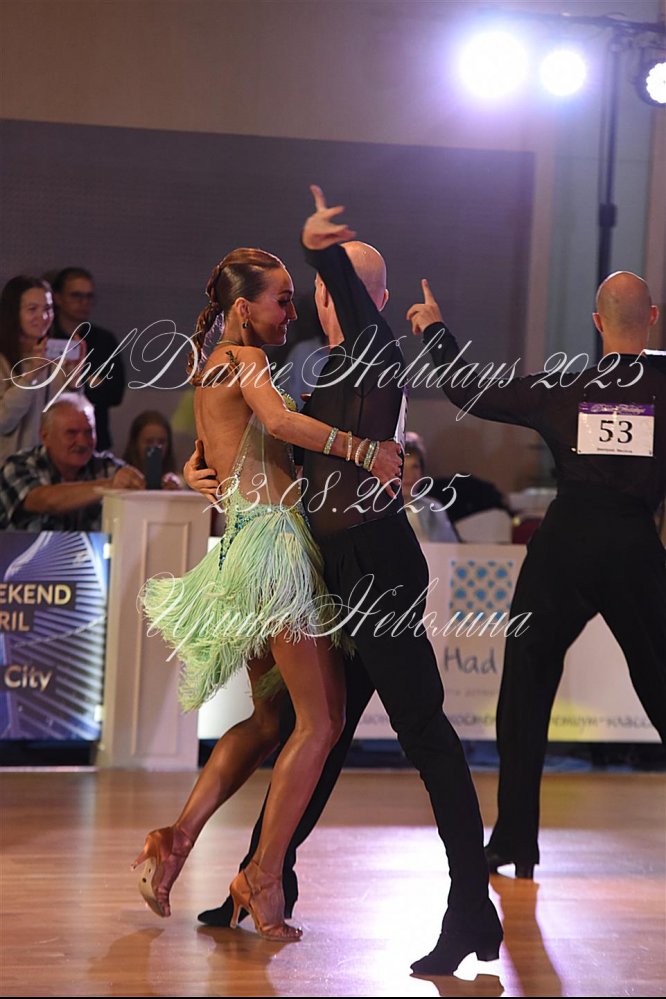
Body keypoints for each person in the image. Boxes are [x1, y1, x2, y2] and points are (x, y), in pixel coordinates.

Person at [186, 187, 503, 977]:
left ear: (365, 301)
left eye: (337, 290)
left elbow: (349, 305)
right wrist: (209, 468)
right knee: (318, 732)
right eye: (327, 287)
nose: (324, 299)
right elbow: (278, 449)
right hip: (340, 566)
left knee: (424, 734)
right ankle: (263, 875)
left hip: (377, 567)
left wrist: (320, 248)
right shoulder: (330, 371)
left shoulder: (369, 351)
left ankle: (471, 905)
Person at [132, 247, 401, 941]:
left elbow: (221, 450)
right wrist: (364, 449)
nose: (292, 311)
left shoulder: (211, 366)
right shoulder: (247, 359)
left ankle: (176, 839)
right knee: (322, 722)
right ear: (243, 307)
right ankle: (264, 875)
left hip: (243, 548)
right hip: (275, 551)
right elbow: (279, 425)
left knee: (267, 723)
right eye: (282, 299)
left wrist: (201, 468)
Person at [407, 271, 666, 878]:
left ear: (597, 323)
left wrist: (436, 331)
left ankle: (514, 842)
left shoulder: (566, 387)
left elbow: (468, 391)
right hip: (635, 548)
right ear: (653, 317)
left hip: (565, 548)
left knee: (525, 690)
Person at [0, 393, 144, 531]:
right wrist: (108, 486)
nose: (82, 442)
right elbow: (45, 501)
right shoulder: (18, 466)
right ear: (45, 436)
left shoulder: (107, 467)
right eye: (71, 433)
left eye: (88, 432)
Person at [0, 276, 86, 464]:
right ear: (13, 313)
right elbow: (4, 422)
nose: (43, 317)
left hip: (51, 468)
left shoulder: (56, 358)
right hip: (10, 470)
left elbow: (72, 420)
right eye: (32, 309)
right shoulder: (3, 360)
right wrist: (30, 375)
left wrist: (74, 382)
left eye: (48, 309)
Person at [51, 267, 126, 450]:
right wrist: (92, 380)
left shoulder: (104, 340)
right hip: (52, 439)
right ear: (58, 298)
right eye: (76, 295)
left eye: (89, 296)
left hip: (94, 439)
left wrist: (77, 379)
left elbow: (114, 394)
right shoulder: (46, 339)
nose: (83, 302)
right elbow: (49, 392)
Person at [402, 431, 459, 543]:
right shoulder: (375, 511)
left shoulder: (434, 509)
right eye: (402, 467)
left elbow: (450, 548)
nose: (408, 475)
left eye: (415, 467)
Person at [122, 410, 182, 490]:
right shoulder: (116, 478)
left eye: (161, 442)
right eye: (149, 442)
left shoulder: (178, 481)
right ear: (135, 444)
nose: (156, 447)